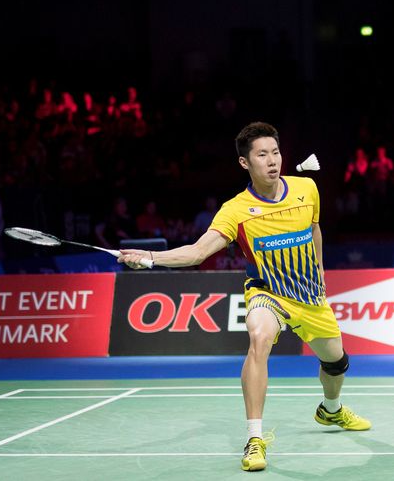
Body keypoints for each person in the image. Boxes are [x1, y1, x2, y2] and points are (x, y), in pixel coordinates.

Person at [118, 121, 371, 472]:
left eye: (276, 152)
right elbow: (197, 252)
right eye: (262, 154)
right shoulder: (235, 210)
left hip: (310, 296)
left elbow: (315, 229)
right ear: (245, 163)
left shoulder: (306, 189)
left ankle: (330, 410)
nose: (272, 161)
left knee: (337, 362)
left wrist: (321, 272)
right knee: (259, 337)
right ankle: (255, 438)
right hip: (267, 292)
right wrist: (149, 259)